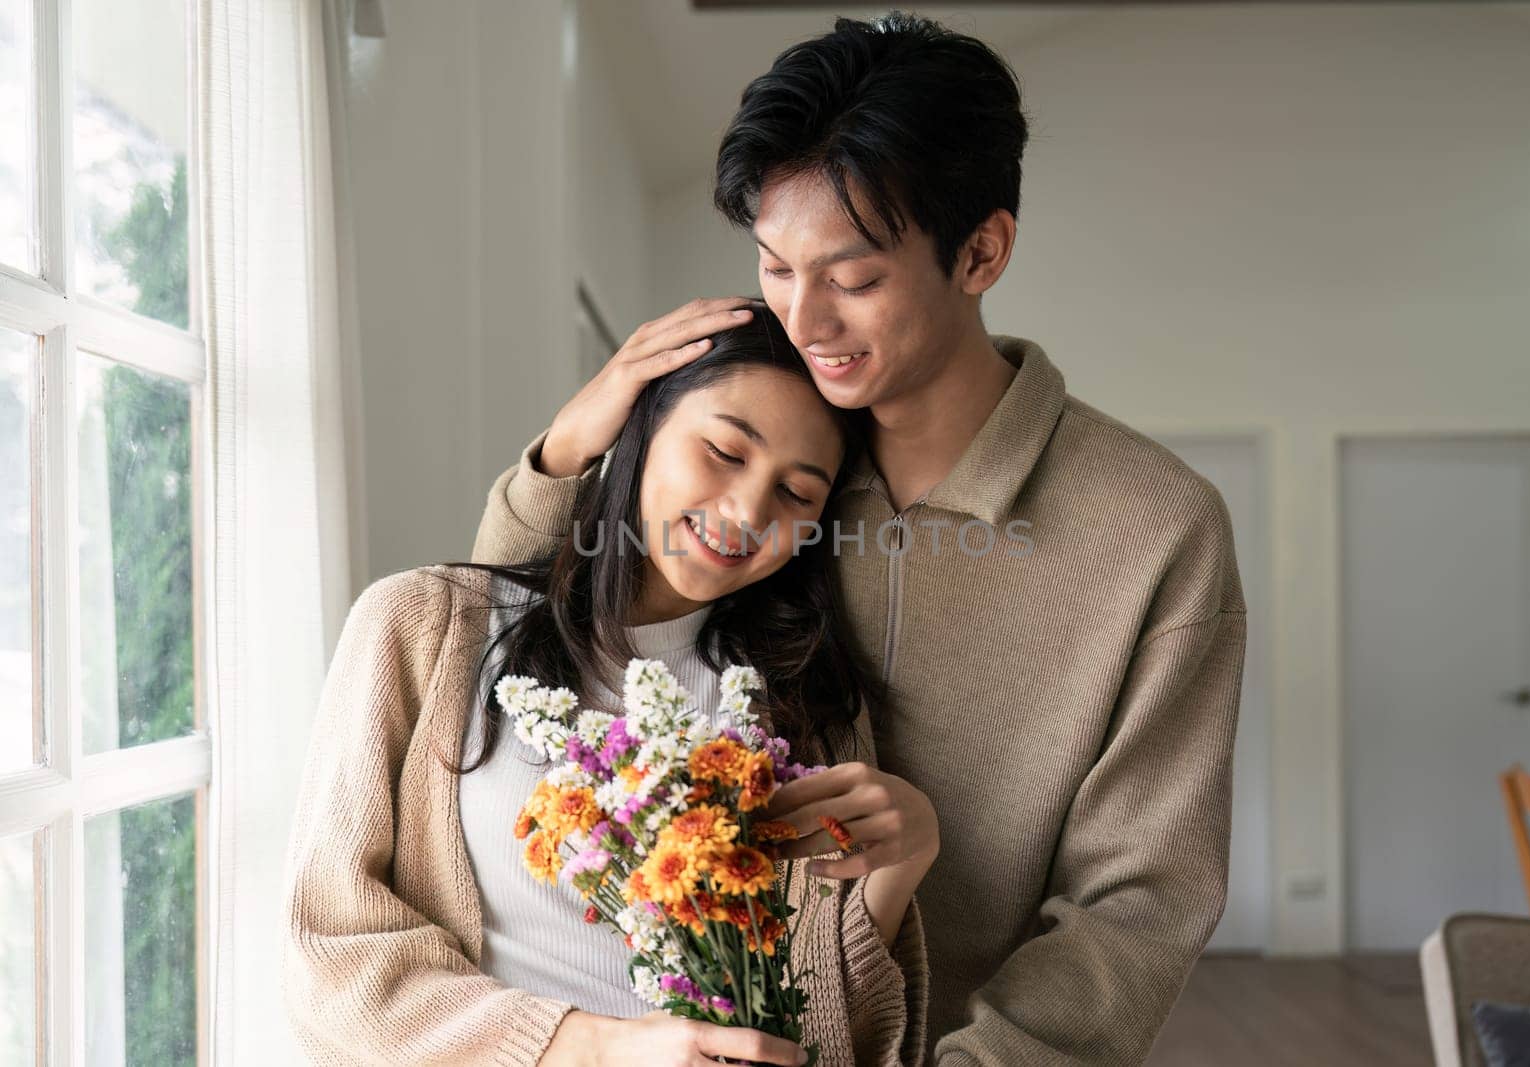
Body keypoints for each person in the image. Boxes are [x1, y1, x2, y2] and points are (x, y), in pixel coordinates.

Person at [472, 12, 1247, 1065]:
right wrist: (567, 448)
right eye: (775, 268)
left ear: (981, 250)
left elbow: (1138, 902)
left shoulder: (1157, 527)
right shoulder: (761, 473)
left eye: (854, 277)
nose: (805, 319)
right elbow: (527, 619)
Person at [282, 307, 934, 1066]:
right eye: (724, 450)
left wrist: (904, 862)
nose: (748, 511)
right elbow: (326, 958)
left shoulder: (801, 708)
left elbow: (815, 1027)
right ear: (640, 429)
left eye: (796, 494)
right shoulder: (424, 626)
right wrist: (593, 1048)